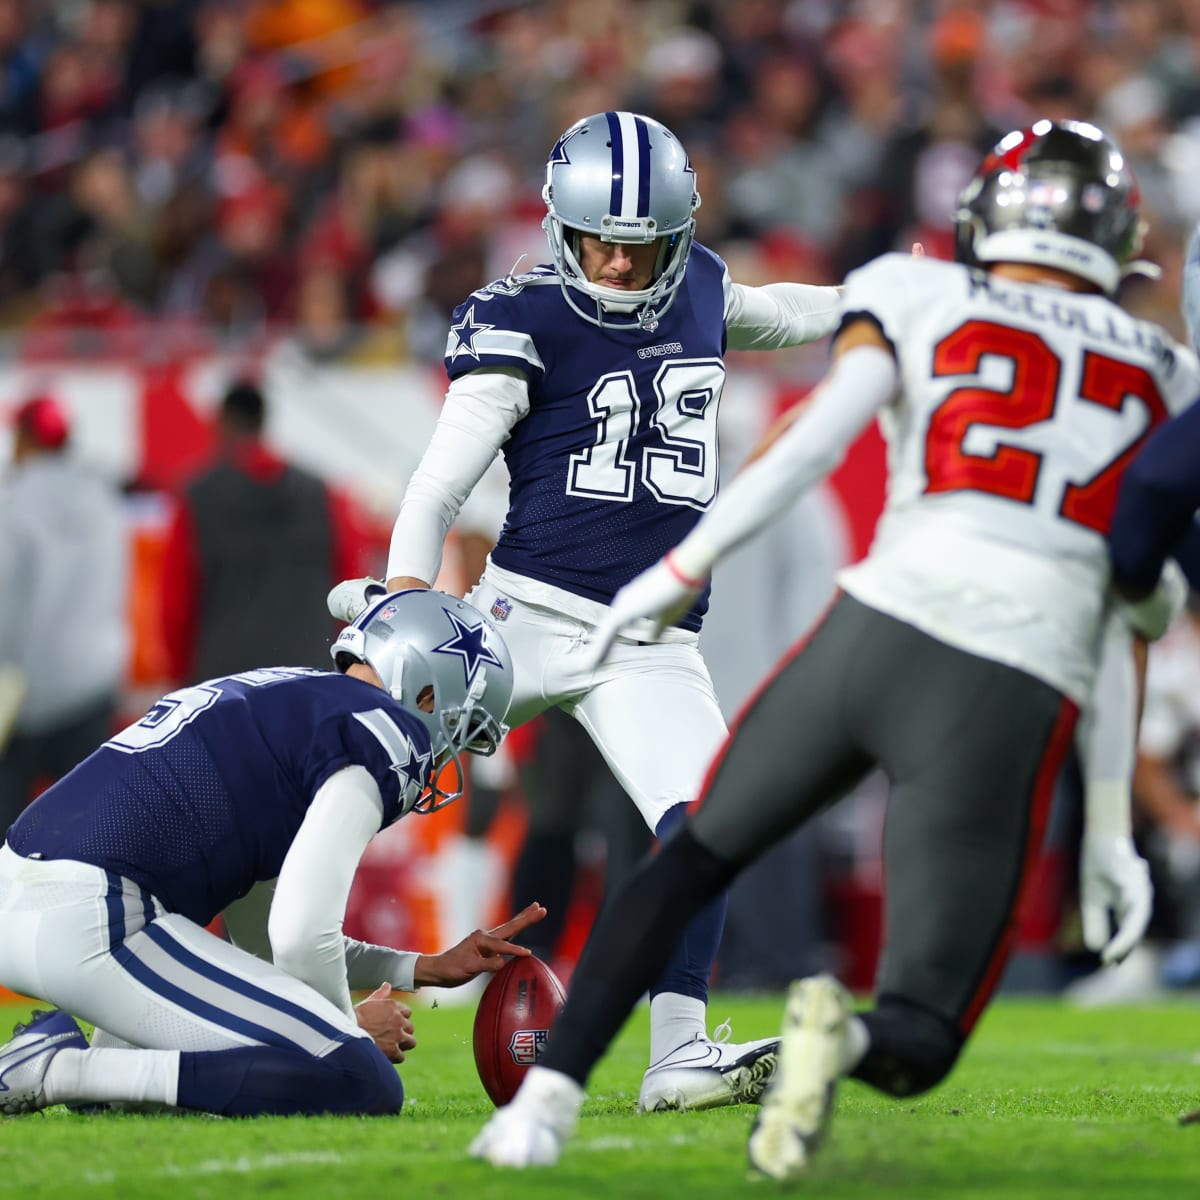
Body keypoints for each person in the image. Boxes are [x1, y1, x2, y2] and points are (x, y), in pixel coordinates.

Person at [467, 119, 1200, 1175]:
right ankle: (842, 1037)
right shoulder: (1164, 371)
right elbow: (1129, 608)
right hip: (1008, 683)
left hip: (875, 627)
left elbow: (809, 443)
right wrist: (1107, 840)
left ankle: (540, 1112)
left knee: (692, 856)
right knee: (922, 1030)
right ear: (1120, 235)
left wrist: (672, 574)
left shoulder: (927, 293)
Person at [329, 110, 843, 1113]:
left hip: (647, 642)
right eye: (597, 236)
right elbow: (437, 487)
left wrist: (879, 301)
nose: (615, 258)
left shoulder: (697, 288)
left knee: (708, 824)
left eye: (638, 239)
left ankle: (679, 1054)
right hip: (522, 621)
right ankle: (268, 991)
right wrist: (398, 595)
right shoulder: (522, 316)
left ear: (679, 230)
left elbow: (774, 312)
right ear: (559, 226)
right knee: (340, 764)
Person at [0, 588, 537, 1118]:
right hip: (96, 917)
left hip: (41, 895)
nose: (445, 751)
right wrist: (347, 1030)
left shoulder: (295, 705)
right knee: (356, 1078)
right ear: (427, 694)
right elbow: (301, 938)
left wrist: (419, 967)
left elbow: (269, 938)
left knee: (162, 1099)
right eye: (458, 730)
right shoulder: (380, 731)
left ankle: (106, 1082)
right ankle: (59, 1071)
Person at [160, 377, 369, 686]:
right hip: (310, 676)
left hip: (224, 684)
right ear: (263, 421)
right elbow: (352, 585)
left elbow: (175, 604)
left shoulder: (197, 498)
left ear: (223, 423)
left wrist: (179, 676)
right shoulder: (321, 493)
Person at [0, 394, 128, 834]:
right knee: (90, 834)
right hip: (92, 686)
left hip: (19, 699)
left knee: (8, 844)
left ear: (24, 439)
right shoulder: (104, 499)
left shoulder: (12, 503)